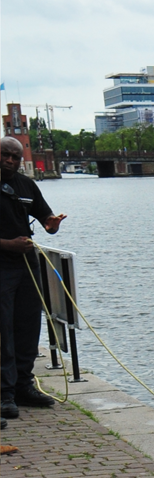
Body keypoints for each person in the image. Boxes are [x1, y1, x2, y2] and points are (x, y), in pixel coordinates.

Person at [1, 135, 66, 422]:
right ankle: (4, 395)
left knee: (28, 324)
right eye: (5, 155)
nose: (10, 161)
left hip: (27, 266)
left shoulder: (27, 185)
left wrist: (52, 225)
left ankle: (23, 386)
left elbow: (46, 219)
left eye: (15, 157)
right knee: (3, 329)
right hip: (1, 265)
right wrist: (7, 244)